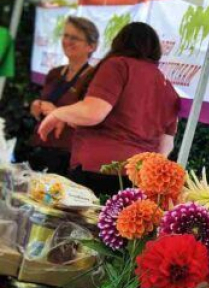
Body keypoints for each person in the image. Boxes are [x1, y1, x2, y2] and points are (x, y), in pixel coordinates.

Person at [38, 22, 180, 197]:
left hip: (96, 170)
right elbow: (165, 146)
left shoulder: (118, 65)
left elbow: (94, 112)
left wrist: (57, 113)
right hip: (137, 178)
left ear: (119, 41)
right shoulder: (168, 87)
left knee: (76, 224)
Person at [25, 16, 99, 176]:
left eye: (75, 38)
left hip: (65, 153)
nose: (67, 41)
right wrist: (37, 105)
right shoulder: (54, 73)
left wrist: (58, 113)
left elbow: (91, 119)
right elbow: (44, 106)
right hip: (39, 146)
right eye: (66, 35)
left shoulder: (94, 78)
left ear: (91, 46)